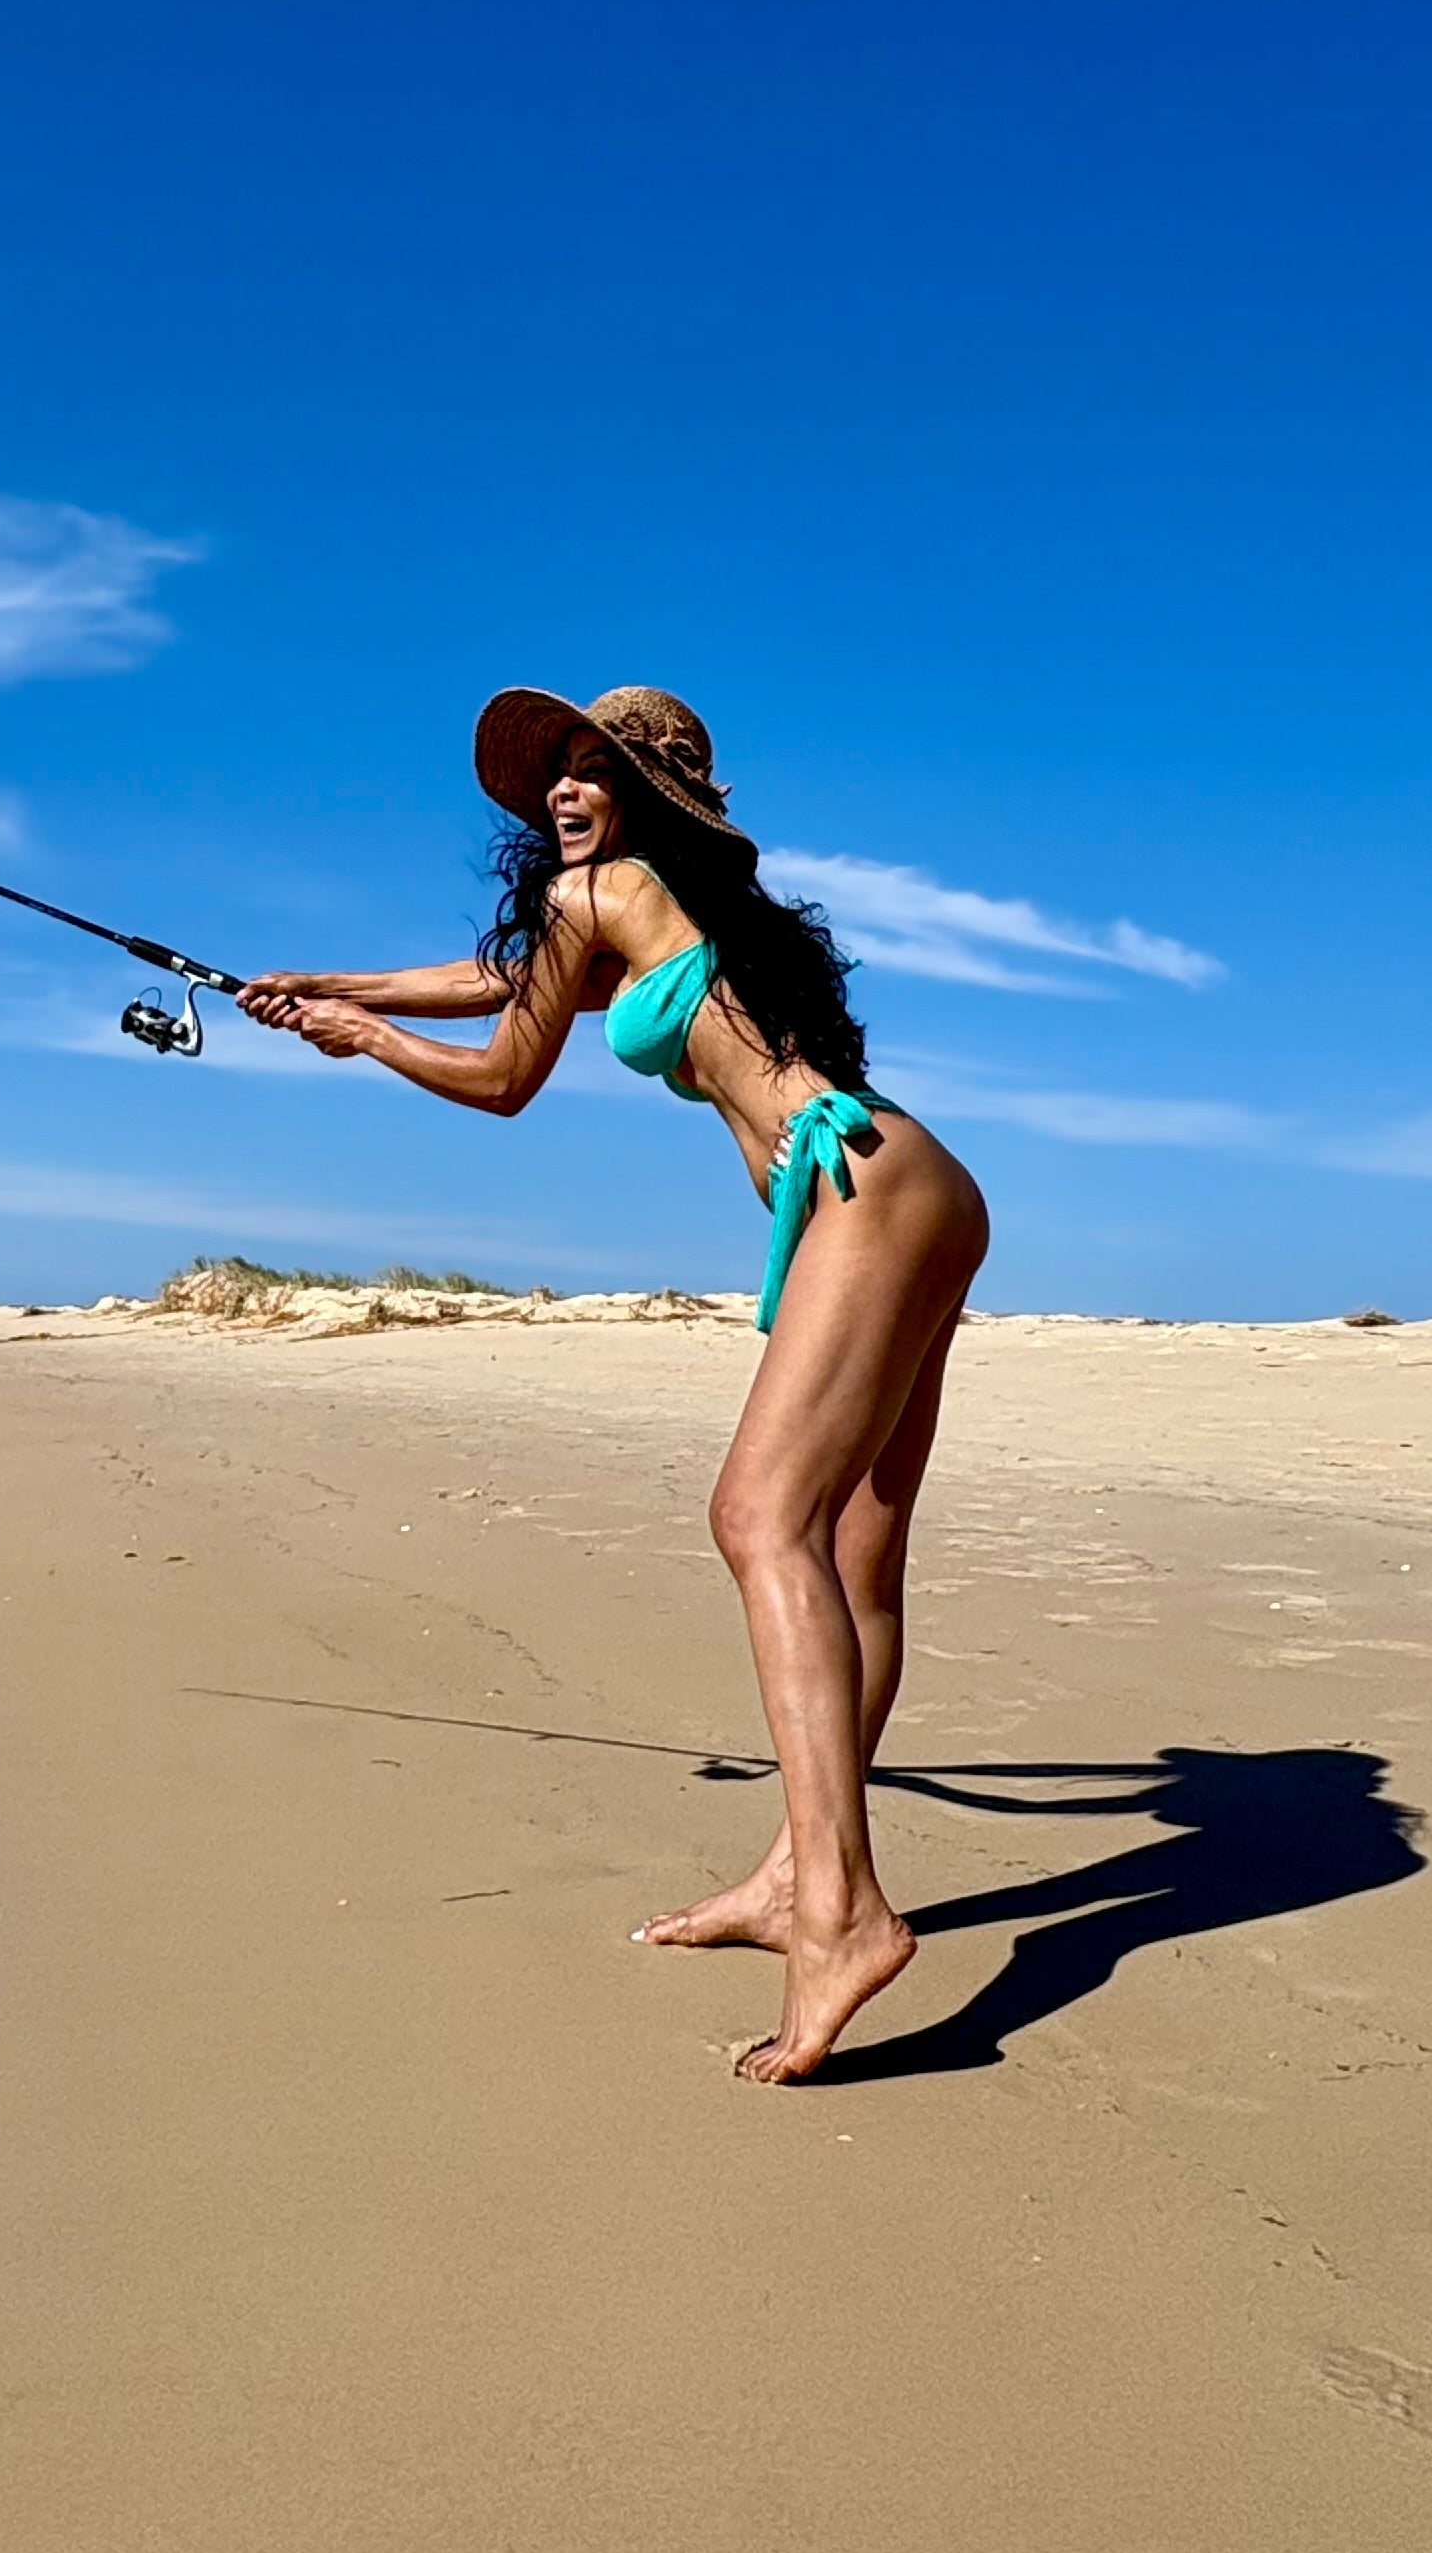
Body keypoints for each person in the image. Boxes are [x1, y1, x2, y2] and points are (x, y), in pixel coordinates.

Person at [239, 685, 988, 2080]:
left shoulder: (601, 890)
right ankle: (796, 1874)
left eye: (600, 771)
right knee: (856, 1556)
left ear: (652, 797)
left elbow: (502, 1073)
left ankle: (841, 1910)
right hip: (922, 1181)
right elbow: (499, 982)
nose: (566, 792)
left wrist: (363, 1041)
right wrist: (328, 987)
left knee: (759, 1522)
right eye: (564, 772)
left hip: (863, 1200)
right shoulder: (666, 911)